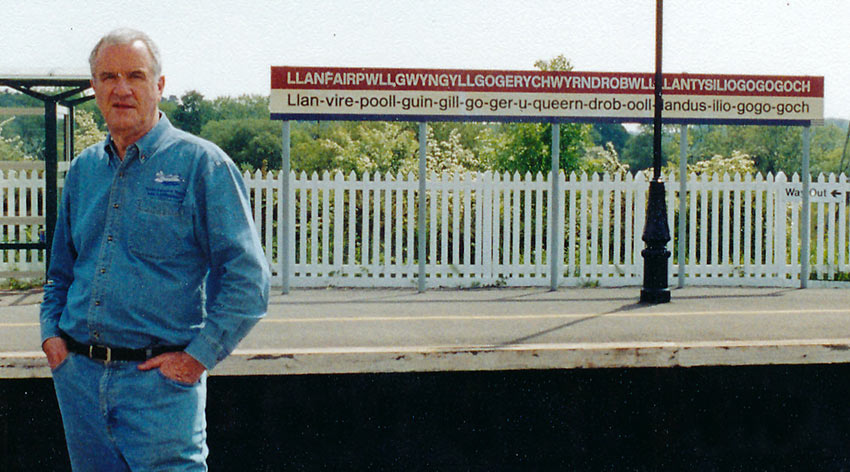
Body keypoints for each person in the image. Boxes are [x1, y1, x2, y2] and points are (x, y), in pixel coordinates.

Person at [39, 28, 270, 471]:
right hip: (80, 384)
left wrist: (196, 359)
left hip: (159, 391)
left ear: (159, 85)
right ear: (94, 88)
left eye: (135, 76)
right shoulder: (84, 170)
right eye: (108, 77)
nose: (121, 89)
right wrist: (52, 337)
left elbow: (248, 282)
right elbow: (61, 273)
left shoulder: (203, 165)